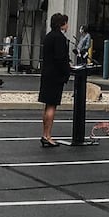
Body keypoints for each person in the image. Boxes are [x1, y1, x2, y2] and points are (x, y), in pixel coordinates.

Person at [38, 13, 71, 147]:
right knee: (52, 105)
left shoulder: (48, 37)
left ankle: (44, 133)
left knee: (47, 105)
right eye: (66, 23)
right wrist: (67, 71)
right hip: (55, 76)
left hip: (46, 74)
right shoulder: (59, 38)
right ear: (61, 24)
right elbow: (61, 58)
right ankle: (48, 135)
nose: (67, 25)